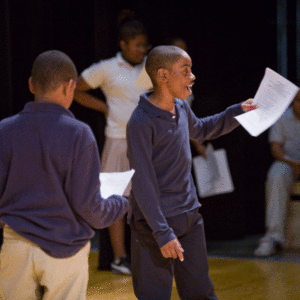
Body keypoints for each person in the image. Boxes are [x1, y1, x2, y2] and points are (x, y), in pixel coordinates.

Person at [126, 45, 257, 300]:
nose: (192, 76)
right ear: (163, 76)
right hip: (154, 226)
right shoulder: (141, 122)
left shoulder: (181, 107)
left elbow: (202, 129)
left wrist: (236, 112)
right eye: (185, 71)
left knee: (201, 293)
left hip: (188, 217)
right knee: (154, 295)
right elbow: (142, 182)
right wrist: (162, 232)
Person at [0, 50, 129, 300]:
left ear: (31, 84)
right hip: (66, 250)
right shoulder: (79, 134)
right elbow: (88, 207)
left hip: (15, 246)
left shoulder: (4, 131)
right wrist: (121, 202)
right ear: (71, 86)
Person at [74, 10, 152, 275]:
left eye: (145, 45)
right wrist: (105, 108)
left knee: (146, 199)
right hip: (118, 141)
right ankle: (119, 257)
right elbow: (76, 88)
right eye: (138, 45)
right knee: (115, 198)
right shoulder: (106, 68)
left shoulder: (150, 68)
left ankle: (147, 254)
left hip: (146, 143)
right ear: (124, 45)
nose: (143, 50)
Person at [254, 91, 300, 257]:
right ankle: (273, 237)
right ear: (293, 100)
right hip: (289, 163)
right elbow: (276, 149)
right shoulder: (282, 118)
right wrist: (292, 162)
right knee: (276, 173)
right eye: (298, 100)